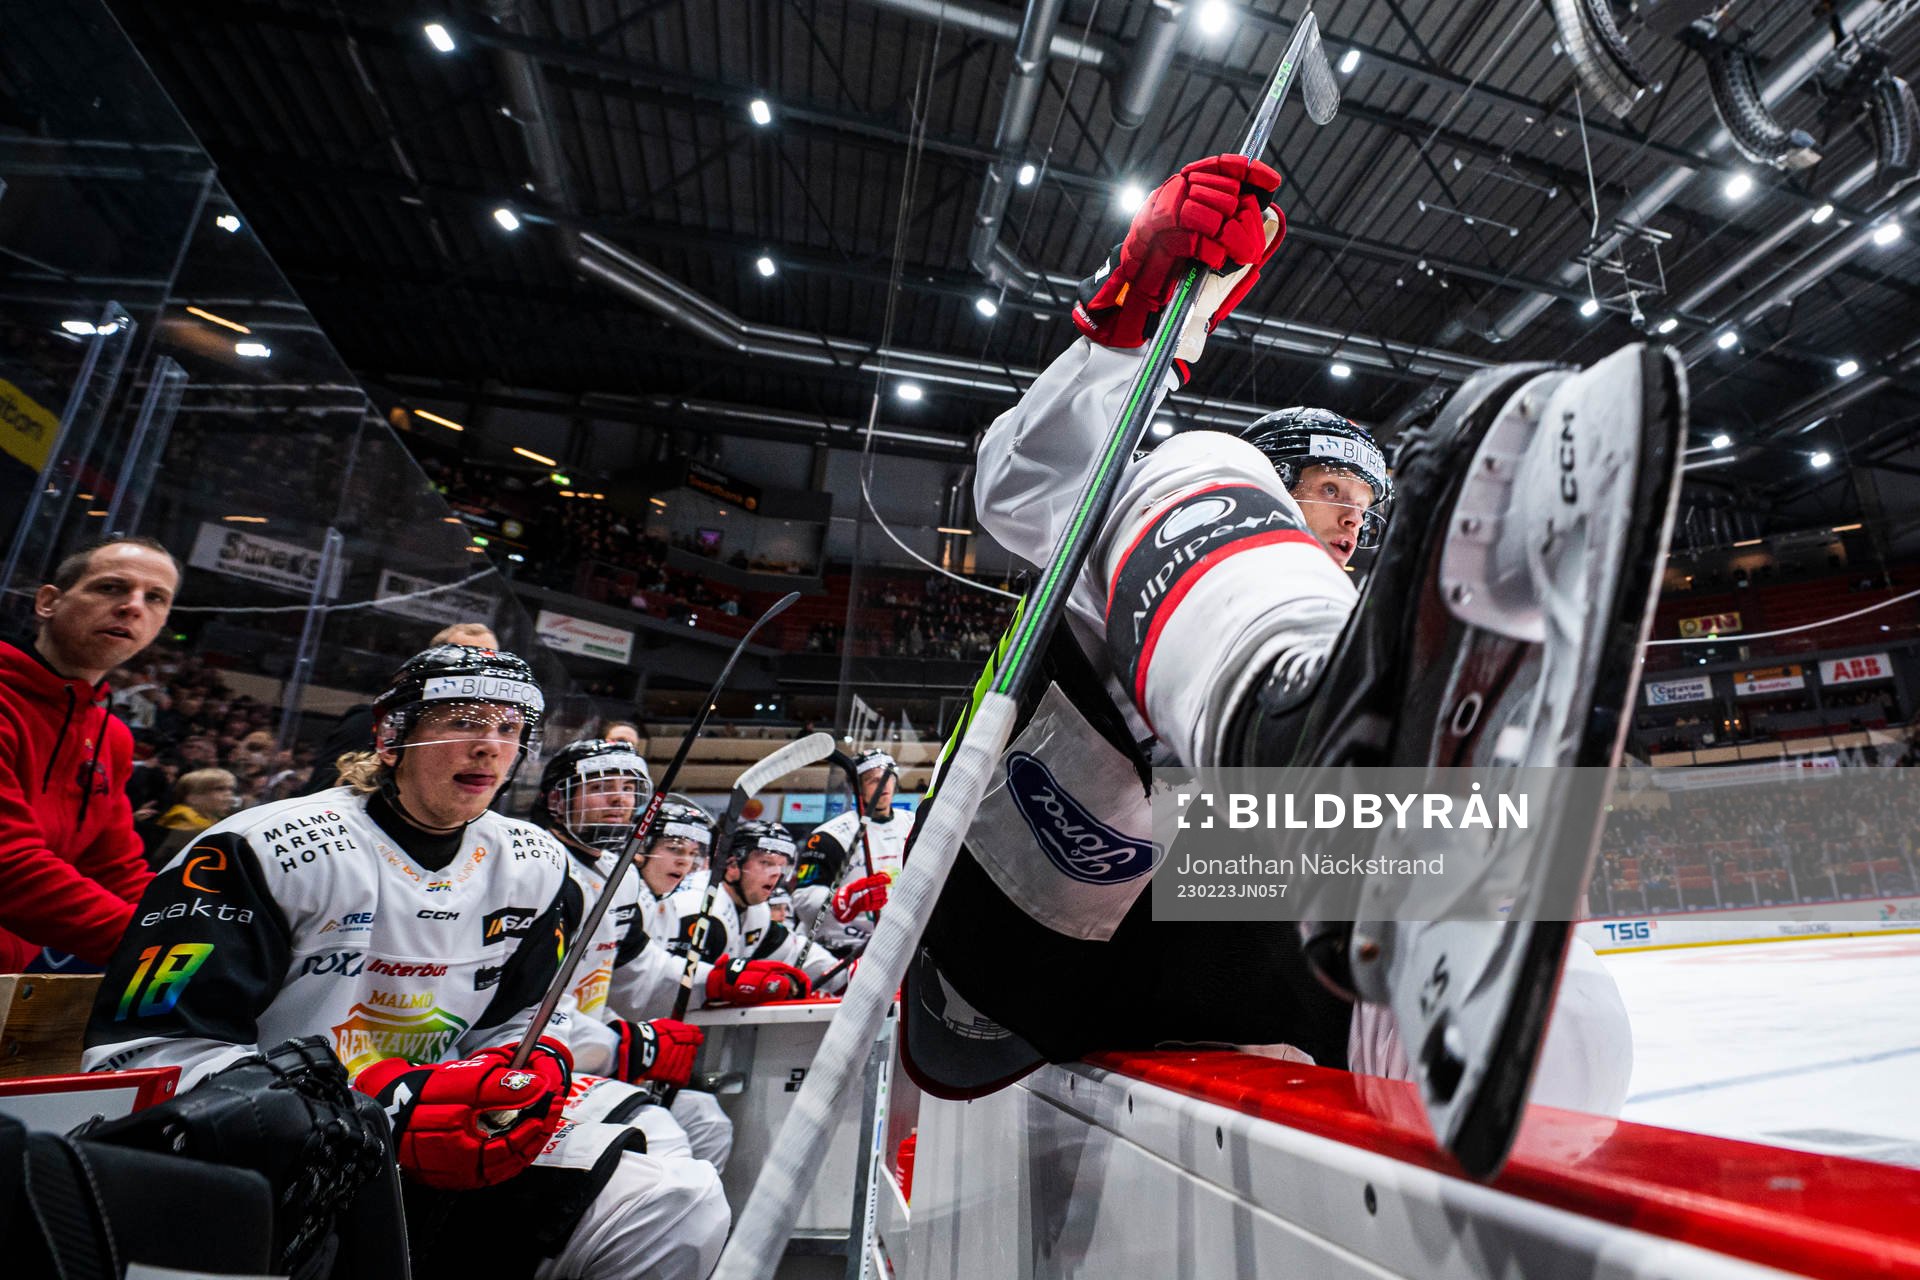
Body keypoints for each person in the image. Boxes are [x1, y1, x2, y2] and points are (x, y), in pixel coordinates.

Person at [903, 153, 1664, 1123]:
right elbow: (1017, 490)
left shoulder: (1374, 661)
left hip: (1236, 953)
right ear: (1272, 493)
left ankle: (1352, 803)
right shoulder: (1177, 503)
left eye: (1366, 506)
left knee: (1576, 1038)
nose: (1352, 521)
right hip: (1016, 950)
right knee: (1186, 465)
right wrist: (1140, 326)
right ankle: (1280, 740)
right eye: (1330, 491)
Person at [84, 644, 729, 1280]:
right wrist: (378, 1102)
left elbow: (528, 1018)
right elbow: (143, 1058)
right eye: (464, 722)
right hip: (276, 1160)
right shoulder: (265, 848)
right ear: (393, 737)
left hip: (438, 1137)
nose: (490, 747)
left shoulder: (534, 864)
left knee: (678, 1194)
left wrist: (516, 1079)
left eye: (508, 729)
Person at [533, 739, 802, 1173]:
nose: (620, 799)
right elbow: (523, 1002)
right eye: (602, 785)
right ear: (556, 798)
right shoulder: (537, 866)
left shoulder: (613, 877)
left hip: (584, 1057)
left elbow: (642, 970)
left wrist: (718, 980)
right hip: (537, 1063)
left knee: (706, 1123)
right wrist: (626, 1045)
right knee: (664, 1141)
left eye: (628, 787)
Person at [1, 535, 179, 972]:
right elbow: (9, 867)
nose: (134, 606)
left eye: (154, 598)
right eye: (111, 588)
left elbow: (115, 869)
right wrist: (169, 953)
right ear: (48, 602)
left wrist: (204, 926)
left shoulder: (110, 737)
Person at [296, 621, 499, 796]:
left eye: (490, 659)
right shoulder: (369, 724)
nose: (478, 668)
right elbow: (319, 796)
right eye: (465, 658)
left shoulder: (498, 740)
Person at [673, 821, 842, 992]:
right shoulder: (700, 910)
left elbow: (794, 951)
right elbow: (675, 988)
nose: (776, 873)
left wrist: (845, 976)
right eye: (766, 863)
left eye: (782, 866)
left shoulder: (755, 909)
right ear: (732, 865)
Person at [791, 750, 915, 955]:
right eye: (871, 780)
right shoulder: (828, 836)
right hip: (839, 950)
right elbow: (803, 900)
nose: (883, 785)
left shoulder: (913, 823)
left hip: (893, 950)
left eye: (887, 777)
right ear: (856, 787)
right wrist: (843, 899)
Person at [145, 766, 238, 868]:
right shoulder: (180, 823)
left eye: (231, 789)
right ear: (193, 797)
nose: (229, 794)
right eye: (219, 789)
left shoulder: (214, 824)